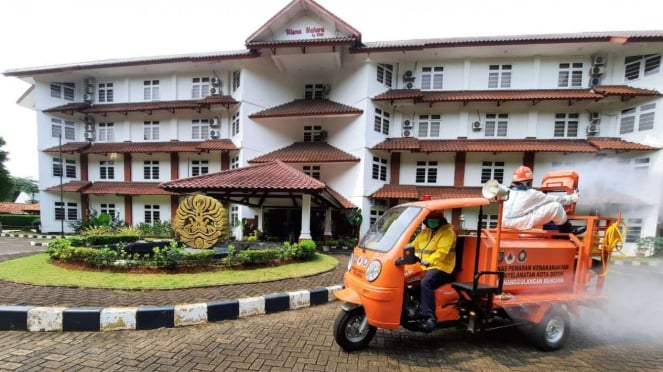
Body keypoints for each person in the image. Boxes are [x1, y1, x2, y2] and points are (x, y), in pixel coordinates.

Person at [410, 211, 456, 332]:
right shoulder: (425, 232)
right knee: (408, 280)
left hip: (442, 267)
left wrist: (428, 260)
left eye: (435, 219)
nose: (432, 221)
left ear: (441, 220)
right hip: (424, 266)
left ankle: (429, 318)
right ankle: (414, 309)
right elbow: (413, 245)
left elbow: (442, 252)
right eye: (430, 219)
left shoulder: (448, 233)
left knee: (426, 283)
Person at [502, 165, 579, 232]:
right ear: (529, 181)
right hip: (521, 223)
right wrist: (573, 197)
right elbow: (557, 200)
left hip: (504, 222)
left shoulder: (507, 191)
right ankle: (567, 229)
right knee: (556, 207)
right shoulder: (531, 193)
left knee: (535, 208)